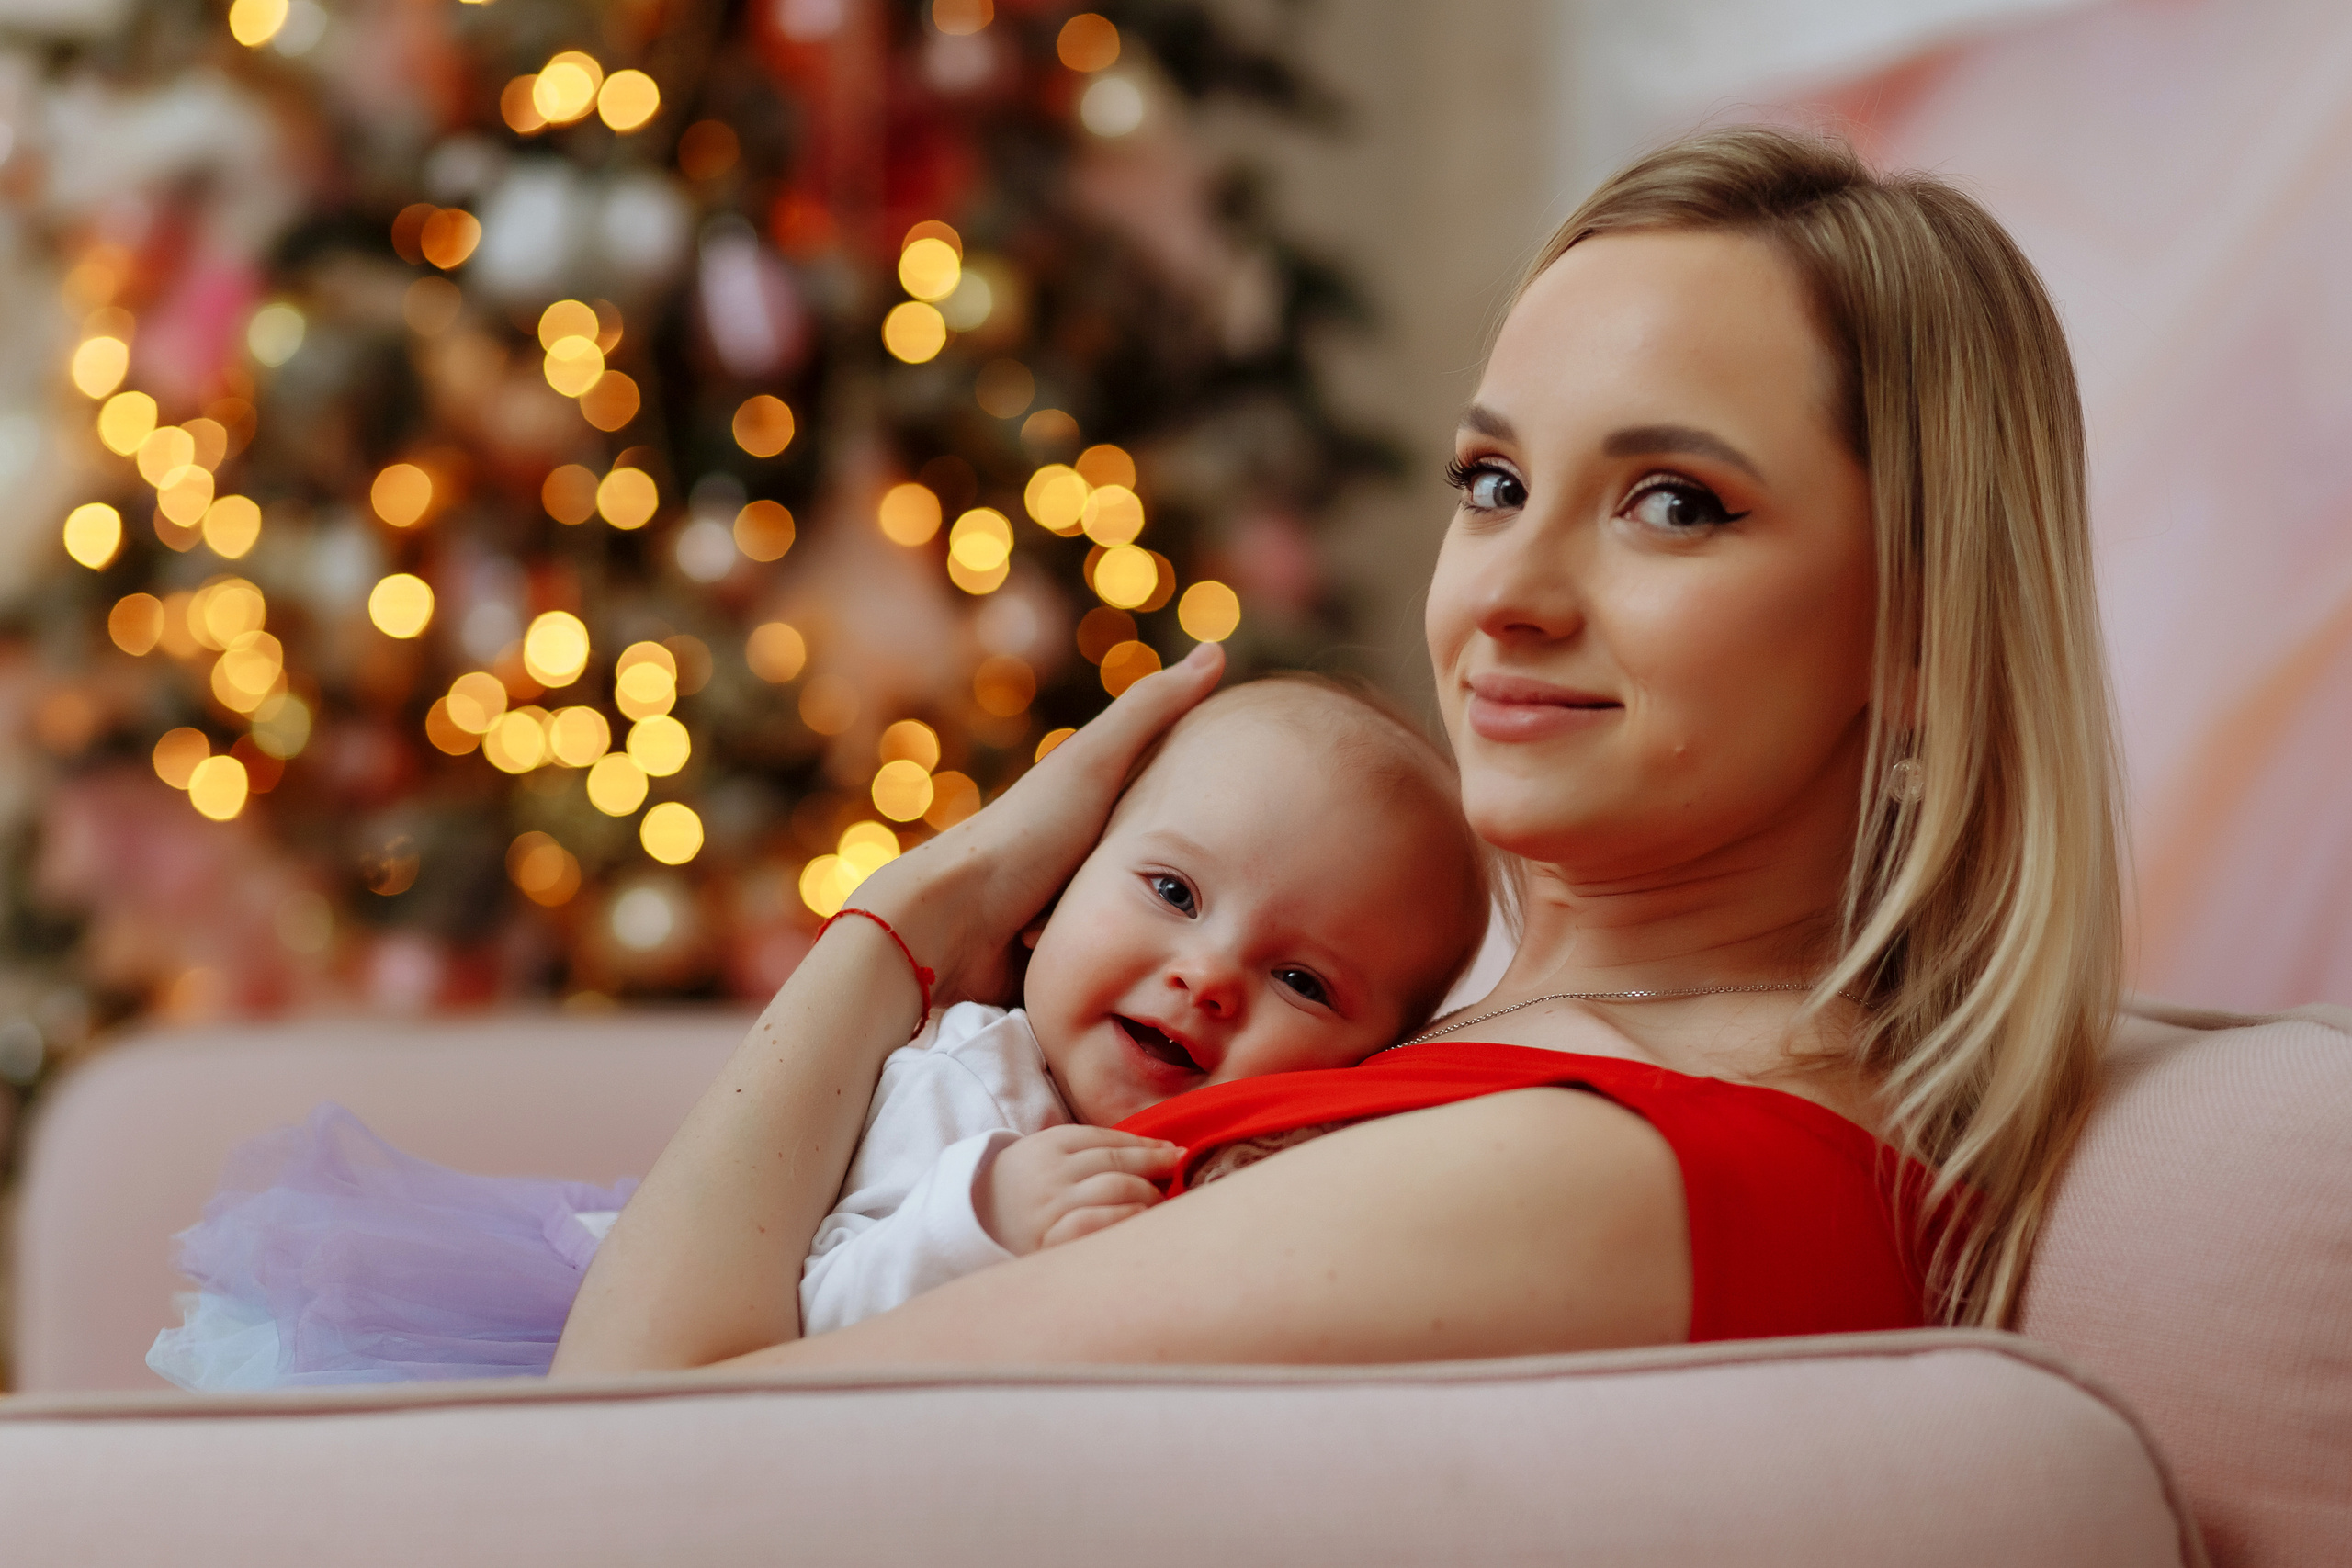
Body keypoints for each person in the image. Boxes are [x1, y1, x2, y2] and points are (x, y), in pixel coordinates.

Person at [552, 125, 2123, 1378]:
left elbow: (625, 1448)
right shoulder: (1464, 1065)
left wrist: (933, 903)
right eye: (1493, 481)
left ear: (1922, 627)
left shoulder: (1597, 1167)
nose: (1504, 595)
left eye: (1673, 502)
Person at [147, 677, 1487, 1387]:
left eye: (1304, 982)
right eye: (1174, 893)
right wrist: (982, 1213)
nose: (1206, 976)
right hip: (612, 1360)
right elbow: (805, 1317)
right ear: (1046, 900)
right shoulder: (977, 1085)